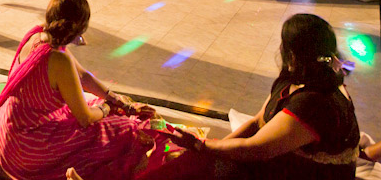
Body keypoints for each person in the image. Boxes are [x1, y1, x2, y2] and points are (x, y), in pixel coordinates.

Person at [154, 13, 360, 180]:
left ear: (294, 55)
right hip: (283, 159)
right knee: (197, 165)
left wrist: (202, 145)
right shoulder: (292, 80)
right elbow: (257, 122)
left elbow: (257, 149)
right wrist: (211, 150)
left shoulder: (315, 102)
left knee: (220, 172)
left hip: (311, 173)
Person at [0, 0, 165, 180]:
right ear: (80, 29)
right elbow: (85, 118)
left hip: (8, 136)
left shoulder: (37, 35)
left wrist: (112, 96)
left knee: (97, 103)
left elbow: (82, 76)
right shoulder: (58, 59)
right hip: (26, 150)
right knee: (124, 130)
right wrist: (107, 107)